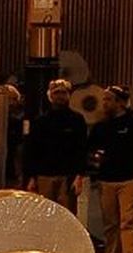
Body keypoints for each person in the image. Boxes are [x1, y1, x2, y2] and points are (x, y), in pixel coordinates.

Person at [89, 83, 133, 253]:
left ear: (120, 103)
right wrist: (94, 169)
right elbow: (91, 151)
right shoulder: (101, 127)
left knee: (128, 221)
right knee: (110, 222)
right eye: (104, 100)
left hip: (129, 179)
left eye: (108, 100)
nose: (104, 103)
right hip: (107, 179)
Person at [23, 77, 88, 212]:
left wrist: (79, 175)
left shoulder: (77, 120)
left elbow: (82, 148)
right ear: (50, 96)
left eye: (63, 93)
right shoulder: (41, 121)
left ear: (69, 95)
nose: (60, 96)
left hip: (68, 176)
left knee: (67, 214)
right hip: (44, 175)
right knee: (45, 213)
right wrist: (31, 177)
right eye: (56, 93)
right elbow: (32, 150)